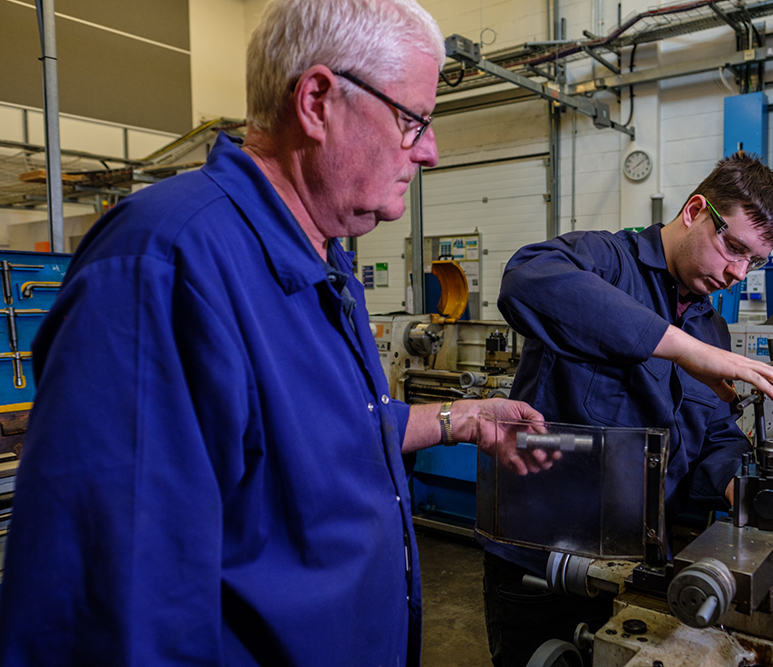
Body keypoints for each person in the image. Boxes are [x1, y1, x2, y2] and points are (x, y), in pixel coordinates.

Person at [0, 0, 556, 665]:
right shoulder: (167, 262)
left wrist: (462, 417)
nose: (430, 151)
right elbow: (107, 614)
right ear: (319, 100)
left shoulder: (325, 263)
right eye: (414, 120)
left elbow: (329, 435)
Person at [481, 153, 773, 667]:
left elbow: (716, 434)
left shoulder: (709, 328)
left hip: (641, 568)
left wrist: (741, 488)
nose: (739, 272)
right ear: (696, 210)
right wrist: (680, 347)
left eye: (754, 261)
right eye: (734, 248)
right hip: (544, 564)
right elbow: (524, 280)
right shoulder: (604, 260)